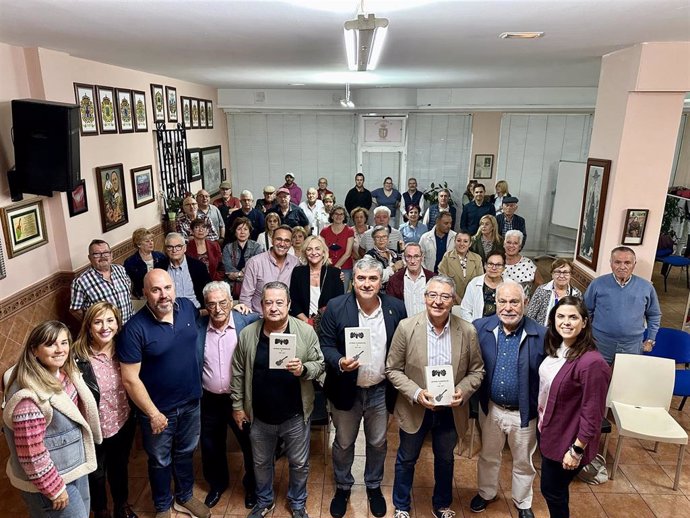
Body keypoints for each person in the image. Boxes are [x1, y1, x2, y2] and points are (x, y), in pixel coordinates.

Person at [386, 275, 485, 518]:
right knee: (407, 459)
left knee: (445, 459)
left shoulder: (467, 330)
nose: (438, 301)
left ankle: (441, 505)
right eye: (433, 295)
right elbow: (392, 369)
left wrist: (463, 390)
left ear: (453, 300)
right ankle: (401, 505)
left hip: (451, 410)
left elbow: (477, 370)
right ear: (425, 298)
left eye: (445, 296)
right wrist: (417, 393)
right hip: (415, 407)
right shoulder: (407, 327)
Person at [319, 257, 407, 518]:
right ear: (352, 279)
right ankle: (343, 486)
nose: (366, 284)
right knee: (344, 443)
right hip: (347, 388)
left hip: (381, 389)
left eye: (372, 278)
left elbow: (402, 347)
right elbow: (324, 345)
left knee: (378, 442)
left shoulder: (396, 308)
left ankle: (373, 485)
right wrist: (339, 361)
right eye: (361, 278)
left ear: (381, 281)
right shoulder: (336, 307)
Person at [118, 269, 210, 518]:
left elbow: (205, 315)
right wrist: (152, 413)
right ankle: (162, 506)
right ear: (145, 293)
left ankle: (185, 497)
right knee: (159, 460)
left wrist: (235, 309)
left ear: (174, 289)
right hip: (158, 411)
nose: (163, 295)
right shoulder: (134, 330)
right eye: (156, 290)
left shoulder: (187, 308)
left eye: (167, 288)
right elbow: (129, 378)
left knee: (186, 452)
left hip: (191, 402)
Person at [230, 282, 325, 518]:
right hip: (259, 415)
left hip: (294, 414)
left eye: (279, 302)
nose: (274, 308)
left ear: (289, 305)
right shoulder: (248, 334)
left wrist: (303, 369)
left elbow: (320, 365)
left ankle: (297, 502)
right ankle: (264, 501)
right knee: (261, 463)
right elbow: (239, 371)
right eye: (269, 302)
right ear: (261, 306)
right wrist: (238, 406)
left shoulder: (304, 332)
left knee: (299, 463)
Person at [3, 321, 102, 518]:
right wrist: (54, 489)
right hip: (49, 480)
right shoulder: (29, 398)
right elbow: (31, 454)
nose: (60, 350)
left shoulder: (65, 373)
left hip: (71, 466)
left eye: (64, 343)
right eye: (51, 344)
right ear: (34, 351)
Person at [470, 281, 547, 518]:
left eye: (514, 302)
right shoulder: (480, 328)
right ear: (495, 303)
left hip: (524, 413)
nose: (508, 307)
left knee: (523, 460)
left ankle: (523, 502)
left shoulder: (542, 335)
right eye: (502, 301)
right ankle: (486, 493)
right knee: (488, 455)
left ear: (524, 303)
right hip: (491, 408)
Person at [538, 297, 611, 518]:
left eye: (573, 317)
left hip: (568, 440)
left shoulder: (592, 363)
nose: (566, 322)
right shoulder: (558, 347)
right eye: (561, 316)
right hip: (550, 430)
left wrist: (577, 450)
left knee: (552, 491)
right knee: (554, 490)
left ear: (585, 322)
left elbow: (593, 413)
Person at [198, 282, 260, 510]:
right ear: (206, 306)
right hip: (209, 398)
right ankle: (217, 484)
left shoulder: (248, 322)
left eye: (223, 302)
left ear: (231, 302)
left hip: (241, 400)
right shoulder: (198, 327)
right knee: (211, 445)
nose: (218, 308)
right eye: (211, 304)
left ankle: (252, 485)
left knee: (251, 444)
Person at [73, 303, 137, 518]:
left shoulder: (126, 349)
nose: (104, 327)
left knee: (120, 467)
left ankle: (122, 505)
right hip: (93, 428)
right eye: (98, 322)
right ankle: (100, 510)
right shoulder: (77, 356)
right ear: (89, 326)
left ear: (118, 324)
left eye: (110, 320)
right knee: (96, 473)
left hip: (123, 420)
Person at [583, 246, 662, 364]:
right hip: (601, 342)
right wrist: (586, 335)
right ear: (611, 263)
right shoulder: (597, 284)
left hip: (632, 345)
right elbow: (586, 311)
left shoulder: (646, 287)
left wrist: (651, 339)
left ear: (634, 264)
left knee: (627, 379)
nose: (622, 267)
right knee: (598, 377)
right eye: (617, 262)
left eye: (627, 262)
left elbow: (654, 314)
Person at [71, 239, 134, 323]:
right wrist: (92, 324)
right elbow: (75, 310)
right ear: (90, 258)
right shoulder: (81, 282)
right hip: (106, 332)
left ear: (111, 255)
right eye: (97, 254)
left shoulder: (121, 269)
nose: (102, 256)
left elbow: (129, 292)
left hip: (129, 326)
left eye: (106, 253)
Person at [240, 225, 300, 314]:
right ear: (272, 240)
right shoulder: (255, 263)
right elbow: (245, 298)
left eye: (287, 241)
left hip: (285, 318)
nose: (282, 244)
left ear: (291, 243)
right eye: (279, 239)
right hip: (259, 318)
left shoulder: (295, 263)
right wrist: (250, 320)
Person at [290, 235, 344, 324]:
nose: (313, 252)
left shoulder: (335, 273)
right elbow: (294, 302)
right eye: (309, 249)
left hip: (328, 323)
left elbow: (339, 304)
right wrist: (307, 321)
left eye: (317, 249)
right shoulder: (298, 272)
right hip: (303, 323)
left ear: (324, 252)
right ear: (305, 253)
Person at [160, 232, 211, 309]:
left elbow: (208, 291)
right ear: (166, 249)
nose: (174, 250)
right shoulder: (160, 267)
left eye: (178, 246)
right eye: (170, 247)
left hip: (195, 310)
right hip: (169, 311)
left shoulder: (198, 267)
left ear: (185, 248)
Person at [526, 258, 582, 326]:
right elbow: (530, 315)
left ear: (570, 275)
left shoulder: (576, 294)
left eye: (565, 272)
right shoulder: (542, 290)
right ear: (552, 274)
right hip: (543, 332)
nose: (561, 276)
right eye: (558, 272)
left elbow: (577, 318)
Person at [386, 242, 434, 317]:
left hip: (428, 325)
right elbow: (391, 308)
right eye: (409, 256)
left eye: (416, 256)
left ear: (422, 257)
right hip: (404, 326)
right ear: (404, 258)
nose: (412, 261)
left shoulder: (433, 278)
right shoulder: (394, 280)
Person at [223, 217, 266, 299]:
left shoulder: (257, 247)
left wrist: (238, 275)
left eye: (245, 229)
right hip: (231, 289)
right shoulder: (227, 248)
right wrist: (246, 275)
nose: (242, 232)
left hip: (253, 287)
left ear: (249, 232)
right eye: (239, 229)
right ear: (235, 231)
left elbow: (256, 269)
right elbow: (229, 272)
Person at [459, 251, 506, 322]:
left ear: (504, 268)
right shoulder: (474, 283)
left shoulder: (510, 284)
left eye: (498, 265)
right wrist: (474, 328)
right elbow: (465, 310)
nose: (494, 268)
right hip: (478, 328)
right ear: (485, 266)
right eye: (490, 264)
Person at [439, 230, 484, 302]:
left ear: (470, 244)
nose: (462, 244)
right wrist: (458, 299)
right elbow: (443, 281)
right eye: (459, 240)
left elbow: (480, 282)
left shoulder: (477, 258)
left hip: (472, 301)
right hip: (451, 302)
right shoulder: (447, 257)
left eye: (465, 241)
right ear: (454, 241)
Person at [124, 228, 166, 299]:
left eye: (152, 240)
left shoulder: (160, 257)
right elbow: (126, 283)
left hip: (161, 294)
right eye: (147, 241)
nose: (151, 243)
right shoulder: (130, 262)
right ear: (139, 244)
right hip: (141, 297)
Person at [320, 205, 355, 289]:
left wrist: (335, 268)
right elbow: (322, 251)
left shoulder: (349, 231)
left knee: (342, 293)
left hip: (345, 267)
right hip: (328, 266)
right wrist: (330, 266)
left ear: (344, 217)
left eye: (341, 214)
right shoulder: (324, 231)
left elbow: (348, 253)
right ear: (332, 215)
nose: (338, 216)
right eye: (336, 214)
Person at [503, 230, 542, 299]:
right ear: (504, 244)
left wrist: (533, 299)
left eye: (515, 243)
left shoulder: (528, 264)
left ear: (520, 246)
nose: (511, 246)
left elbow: (540, 283)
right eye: (508, 242)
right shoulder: (497, 261)